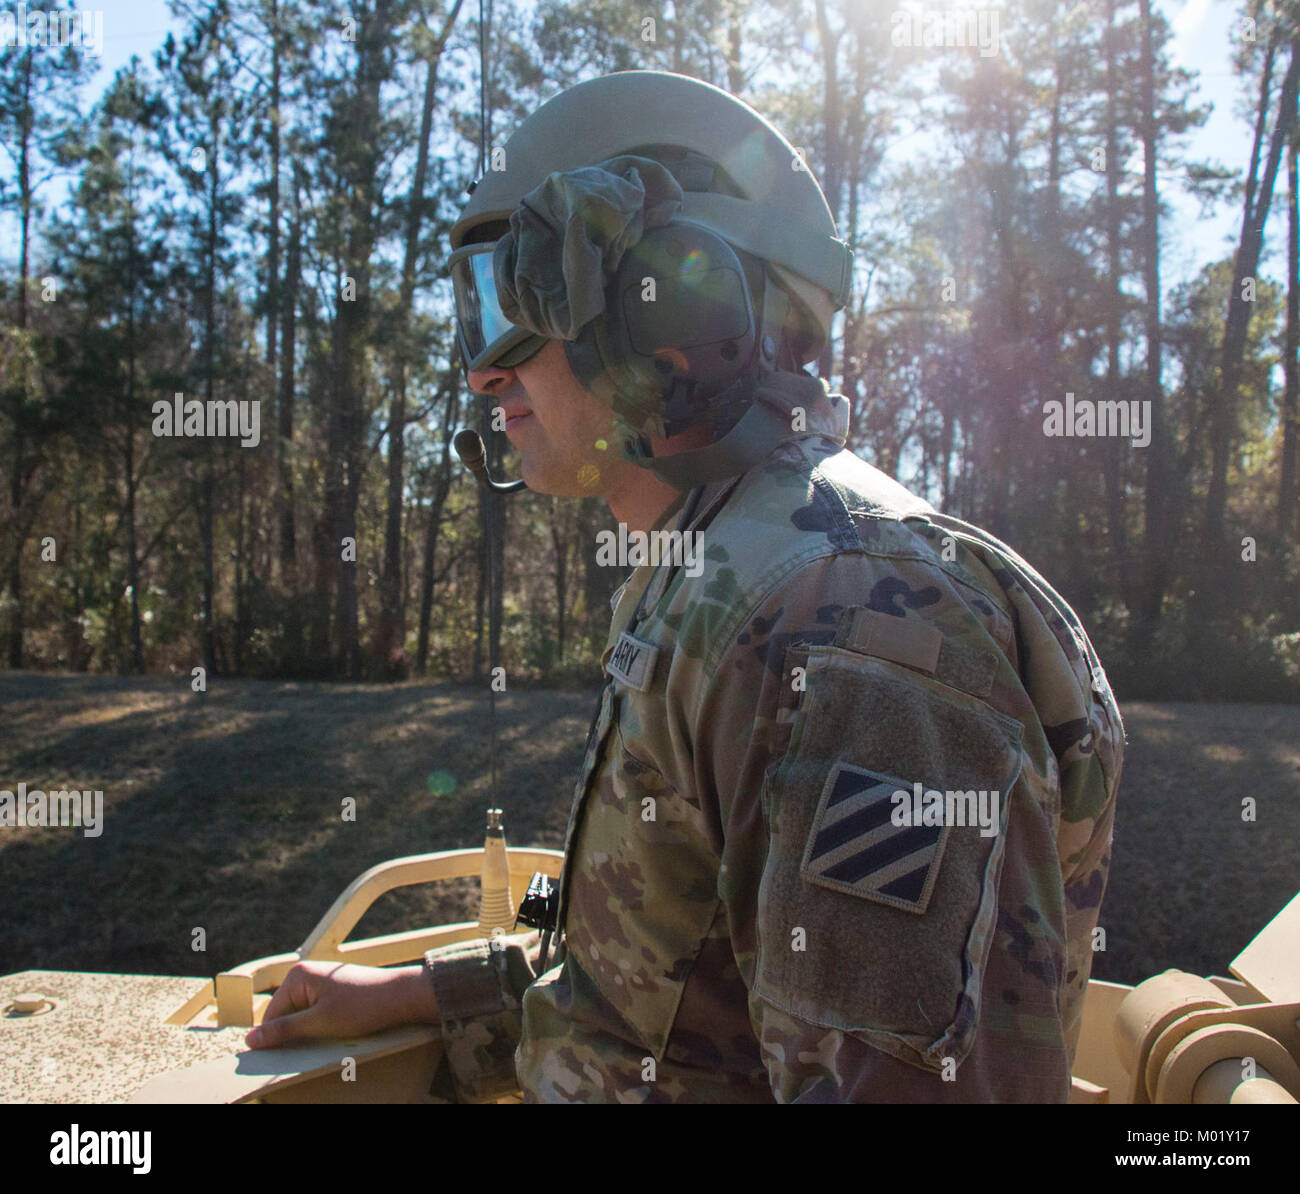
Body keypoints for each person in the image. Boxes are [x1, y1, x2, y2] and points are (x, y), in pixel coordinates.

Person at [247, 70, 1124, 1103]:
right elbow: (679, 987)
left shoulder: (841, 620)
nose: (483, 374)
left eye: (514, 293)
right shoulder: (728, 573)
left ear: (675, 298)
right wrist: (428, 996)